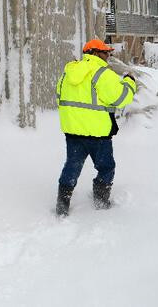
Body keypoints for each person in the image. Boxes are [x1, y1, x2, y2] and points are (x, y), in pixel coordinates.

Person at [55, 38, 137, 216]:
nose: (108, 56)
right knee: (106, 167)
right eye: (106, 52)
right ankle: (101, 204)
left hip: (73, 131)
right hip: (98, 134)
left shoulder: (67, 73)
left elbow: (59, 98)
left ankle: (62, 208)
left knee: (72, 166)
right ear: (94, 53)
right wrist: (130, 82)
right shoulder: (102, 74)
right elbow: (121, 98)